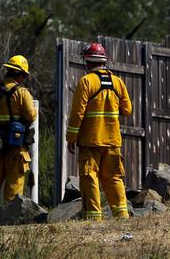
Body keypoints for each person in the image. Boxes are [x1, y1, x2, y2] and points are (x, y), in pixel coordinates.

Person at [66, 42, 132, 220]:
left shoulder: (86, 81)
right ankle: (122, 216)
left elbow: (77, 114)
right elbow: (127, 110)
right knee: (114, 178)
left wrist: (71, 137)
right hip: (112, 141)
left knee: (89, 177)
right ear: (104, 61)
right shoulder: (118, 82)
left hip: (90, 141)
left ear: (87, 62)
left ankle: (94, 217)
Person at [0, 55, 37, 211]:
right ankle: (9, 220)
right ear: (20, 74)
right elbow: (31, 116)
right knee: (14, 184)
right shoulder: (22, 93)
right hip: (15, 145)